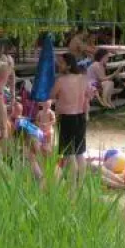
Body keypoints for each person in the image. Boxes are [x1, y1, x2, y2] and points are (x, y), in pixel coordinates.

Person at [51, 53, 91, 185]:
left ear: (68, 65)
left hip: (67, 118)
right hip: (80, 117)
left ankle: (72, 187)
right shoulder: (83, 79)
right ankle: (81, 186)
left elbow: (51, 95)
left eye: (61, 63)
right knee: (80, 153)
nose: (59, 65)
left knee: (69, 154)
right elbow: (89, 95)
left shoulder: (61, 80)